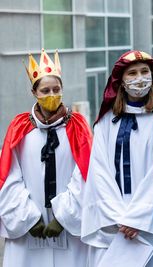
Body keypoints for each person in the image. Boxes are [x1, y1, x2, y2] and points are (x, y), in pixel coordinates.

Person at [81, 50, 153, 267]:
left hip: (151, 223)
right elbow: (98, 170)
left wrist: (138, 219)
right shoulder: (106, 120)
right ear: (120, 81)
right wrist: (118, 217)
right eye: (132, 73)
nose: (139, 78)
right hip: (112, 221)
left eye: (144, 71)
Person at [0, 49, 92, 267]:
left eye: (56, 89)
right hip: (28, 236)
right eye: (45, 90)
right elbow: (8, 176)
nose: (52, 94)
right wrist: (28, 218)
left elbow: (86, 173)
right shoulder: (19, 128)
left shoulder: (77, 127)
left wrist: (64, 217)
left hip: (70, 234)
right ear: (34, 92)